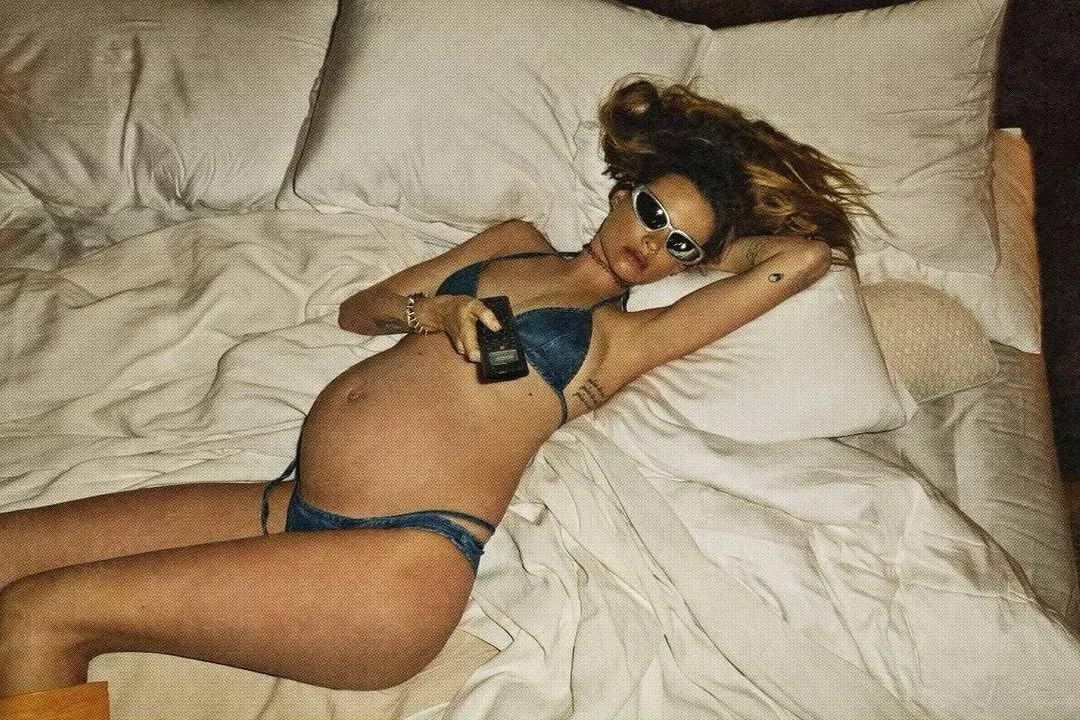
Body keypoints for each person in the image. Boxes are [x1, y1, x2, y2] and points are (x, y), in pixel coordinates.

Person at [0, 77, 872, 717]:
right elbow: (359, 311)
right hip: (290, 509)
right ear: (618, 193)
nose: (651, 244)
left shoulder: (620, 340)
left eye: (677, 245)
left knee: (43, 614)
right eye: (650, 212)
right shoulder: (510, 244)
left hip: (398, 567)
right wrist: (436, 311)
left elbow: (803, 261)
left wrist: (718, 244)